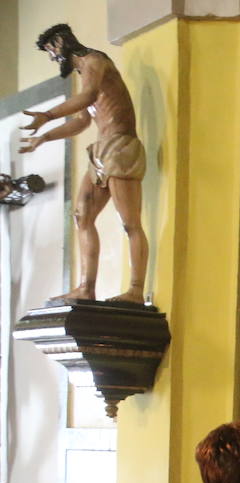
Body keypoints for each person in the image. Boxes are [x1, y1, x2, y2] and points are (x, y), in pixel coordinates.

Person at [19, 24, 148, 303]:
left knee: (129, 221)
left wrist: (48, 115)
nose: (53, 58)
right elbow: (81, 121)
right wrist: (45, 137)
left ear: (61, 42)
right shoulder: (83, 73)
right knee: (82, 216)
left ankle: (136, 290)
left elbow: (88, 97)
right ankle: (86, 288)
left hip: (120, 146)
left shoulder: (94, 61)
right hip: (101, 151)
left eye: (52, 50)